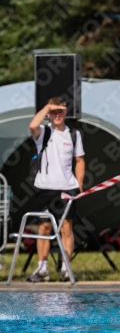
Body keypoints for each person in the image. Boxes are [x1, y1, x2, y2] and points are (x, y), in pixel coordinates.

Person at [27, 97, 85, 282]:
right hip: (45, 188)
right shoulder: (43, 132)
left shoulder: (74, 134)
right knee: (44, 227)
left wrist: (79, 184)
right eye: (54, 112)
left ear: (67, 112)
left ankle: (66, 268)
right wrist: (48, 107)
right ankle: (42, 268)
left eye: (61, 111)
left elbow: (80, 160)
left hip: (67, 188)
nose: (57, 115)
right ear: (49, 113)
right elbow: (32, 125)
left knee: (66, 228)